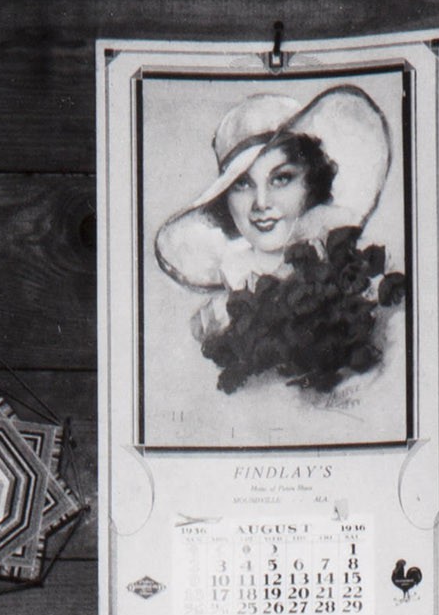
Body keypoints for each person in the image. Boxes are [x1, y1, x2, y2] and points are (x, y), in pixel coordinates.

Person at [154, 83, 406, 402]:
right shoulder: (220, 317)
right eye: (242, 184)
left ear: (312, 182)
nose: (261, 203)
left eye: (281, 178)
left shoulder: (362, 279)